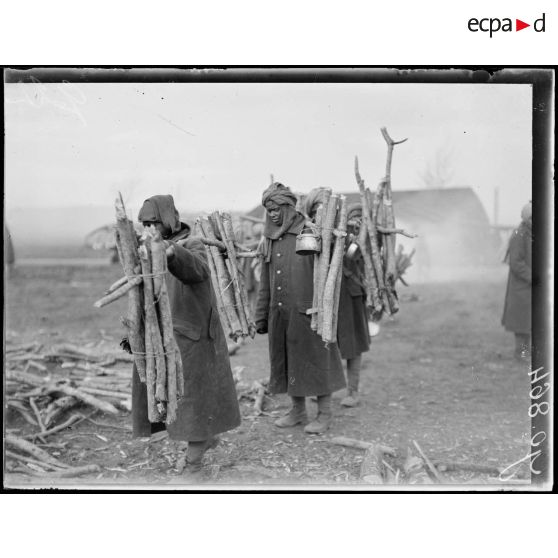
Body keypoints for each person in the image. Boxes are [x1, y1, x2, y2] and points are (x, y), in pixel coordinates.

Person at [129, 194, 241, 476]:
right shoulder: (146, 252)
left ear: (168, 221)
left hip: (194, 339)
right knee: (174, 402)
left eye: (154, 223)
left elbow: (198, 270)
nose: (149, 229)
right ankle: (205, 439)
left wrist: (170, 252)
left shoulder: (191, 245)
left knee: (194, 403)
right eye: (144, 224)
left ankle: (193, 467)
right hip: (163, 341)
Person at [255, 183, 345, 434]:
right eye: (268, 209)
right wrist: (261, 315)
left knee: (316, 361)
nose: (272, 214)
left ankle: (325, 414)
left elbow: (327, 268)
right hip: (280, 313)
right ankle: (298, 411)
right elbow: (266, 278)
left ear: (288, 206)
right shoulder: (270, 238)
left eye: (276, 208)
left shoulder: (309, 232)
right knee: (288, 362)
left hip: (309, 311)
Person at [305, 191, 370, 408]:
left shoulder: (349, 229)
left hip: (348, 294)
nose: (320, 214)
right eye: (316, 211)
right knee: (323, 343)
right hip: (322, 296)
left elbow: (358, 254)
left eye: (325, 209)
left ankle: (353, 391)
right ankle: (326, 389)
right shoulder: (309, 233)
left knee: (352, 344)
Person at [501, 201, 532, 361]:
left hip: (529, 287)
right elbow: (516, 263)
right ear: (527, 218)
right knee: (522, 324)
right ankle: (520, 353)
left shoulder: (531, 233)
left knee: (529, 323)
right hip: (521, 287)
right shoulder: (519, 235)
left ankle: (526, 352)